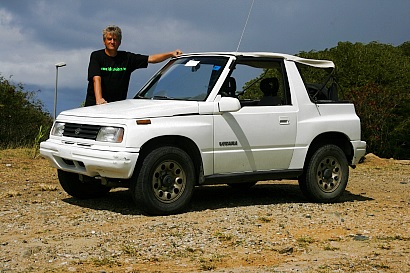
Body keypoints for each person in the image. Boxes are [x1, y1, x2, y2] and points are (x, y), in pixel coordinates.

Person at [85, 25, 183, 106]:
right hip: (95, 105)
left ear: (120, 42)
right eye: (109, 39)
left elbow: (151, 58)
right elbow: (96, 79)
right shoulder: (96, 56)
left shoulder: (127, 57)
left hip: (116, 106)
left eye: (115, 39)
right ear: (104, 41)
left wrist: (171, 54)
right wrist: (99, 99)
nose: (112, 42)